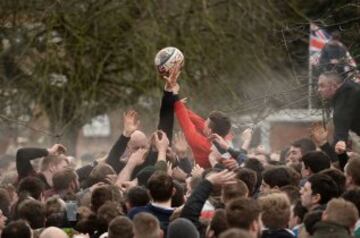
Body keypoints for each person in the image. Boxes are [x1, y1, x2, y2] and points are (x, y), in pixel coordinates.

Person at [317, 70, 360, 154]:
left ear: (334, 86)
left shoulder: (343, 104)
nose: (319, 90)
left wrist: (323, 149)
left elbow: (340, 143)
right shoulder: (351, 87)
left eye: (322, 86)